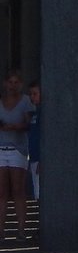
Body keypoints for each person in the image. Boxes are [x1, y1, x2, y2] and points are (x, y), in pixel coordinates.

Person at [0, 68, 34, 239]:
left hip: (18, 149)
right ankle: (1, 230)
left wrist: (15, 127)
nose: (12, 86)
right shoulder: (0, 101)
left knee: (18, 189)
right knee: (2, 191)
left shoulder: (25, 101)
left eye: (16, 82)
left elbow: (29, 124)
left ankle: (21, 230)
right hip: (1, 148)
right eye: (10, 82)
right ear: (5, 83)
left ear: (20, 84)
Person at [26, 80, 40, 201]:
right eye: (30, 94)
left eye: (35, 94)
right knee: (36, 193)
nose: (32, 97)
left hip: (40, 160)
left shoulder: (43, 113)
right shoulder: (35, 114)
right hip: (33, 158)